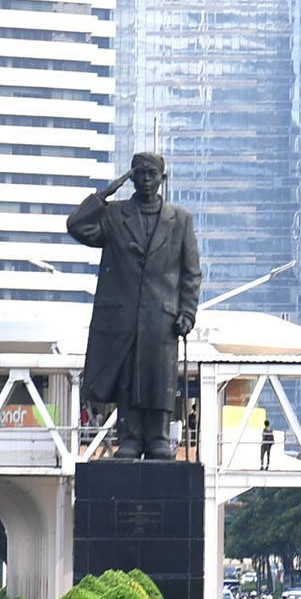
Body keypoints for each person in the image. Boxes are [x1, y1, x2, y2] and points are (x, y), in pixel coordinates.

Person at [66, 152, 201, 459]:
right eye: (138, 174)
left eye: (151, 174)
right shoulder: (114, 215)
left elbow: (191, 273)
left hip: (161, 316)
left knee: (159, 378)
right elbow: (76, 226)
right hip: (122, 317)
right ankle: (128, 438)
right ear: (131, 178)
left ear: (161, 178)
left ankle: (157, 437)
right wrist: (103, 195)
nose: (145, 180)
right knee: (127, 378)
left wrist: (187, 312)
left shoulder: (180, 220)